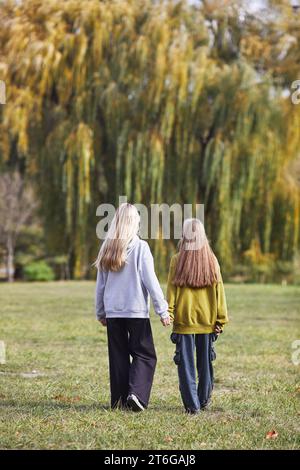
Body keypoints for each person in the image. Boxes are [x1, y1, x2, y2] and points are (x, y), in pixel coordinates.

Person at [94, 203, 170, 412]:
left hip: (113, 312)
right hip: (136, 311)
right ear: (134, 222)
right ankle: (136, 394)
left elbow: (100, 285)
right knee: (145, 354)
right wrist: (162, 310)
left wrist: (101, 311)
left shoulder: (107, 246)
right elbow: (151, 281)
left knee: (117, 355)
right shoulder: (140, 247)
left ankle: (119, 400)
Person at [167, 218, 229, 414]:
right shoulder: (212, 260)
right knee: (205, 363)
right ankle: (203, 400)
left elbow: (171, 290)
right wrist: (221, 319)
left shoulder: (177, 260)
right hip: (208, 320)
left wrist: (168, 312)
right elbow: (220, 291)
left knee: (185, 365)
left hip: (184, 320)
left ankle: (192, 406)